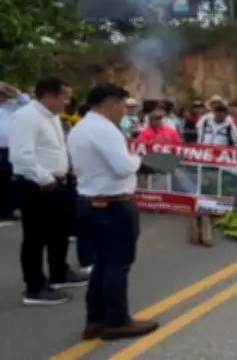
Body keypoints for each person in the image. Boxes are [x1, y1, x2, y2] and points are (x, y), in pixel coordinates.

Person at [68, 84, 159, 340]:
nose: (124, 111)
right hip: (113, 204)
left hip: (90, 202)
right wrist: (141, 163)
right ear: (110, 103)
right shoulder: (105, 129)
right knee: (117, 265)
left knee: (103, 264)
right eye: (122, 104)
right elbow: (122, 166)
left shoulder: (81, 127)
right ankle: (117, 321)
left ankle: (95, 319)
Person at [9, 77, 89, 305]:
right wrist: (45, 178)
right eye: (64, 96)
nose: (67, 102)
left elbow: (56, 148)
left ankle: (59, 273)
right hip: (37, 185)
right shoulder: (26, 117)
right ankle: (34, 287)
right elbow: (22, 156)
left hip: (58, 183)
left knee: (60, 232)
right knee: (35, 237)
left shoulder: (52, 117)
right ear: (48, 96)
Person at [0, 80, 31, 221]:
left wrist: (11, 88)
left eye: (2, 94)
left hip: (10, 149)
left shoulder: (13, 107)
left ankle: (8, 210)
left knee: (10, 181)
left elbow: (27, 102)